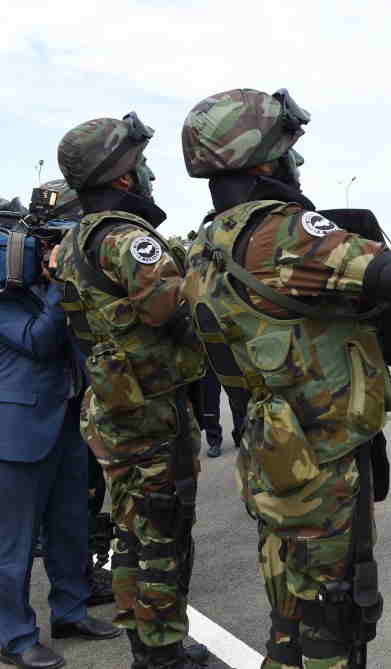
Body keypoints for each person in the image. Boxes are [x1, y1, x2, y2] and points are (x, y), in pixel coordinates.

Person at [180, 87, 391, 669]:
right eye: (286, 149)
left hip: (271, 446)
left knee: (288, 598)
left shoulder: (205, 243)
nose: (294, 161)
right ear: (262, 157)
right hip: (324, 452)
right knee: (336, 609)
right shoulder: (286, 230)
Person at [54, 114, 210, 669]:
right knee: (163, 533)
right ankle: (163, 653)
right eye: (139, 164)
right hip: (151, 409)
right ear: (120, 175)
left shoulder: (74, 239)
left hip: (114, 403)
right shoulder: (126, 238)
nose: (148, 174)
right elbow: (174, 310)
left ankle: (147, 644)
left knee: (132, 531)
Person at [0, 204, 120, 669]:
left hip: (67, 421)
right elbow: (38, 340)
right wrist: (59, 284)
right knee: (13, 545)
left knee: (70, 529)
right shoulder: (6, 296)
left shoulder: (44, 285)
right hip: (19, 431)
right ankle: (14, 635)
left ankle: (71, 612)